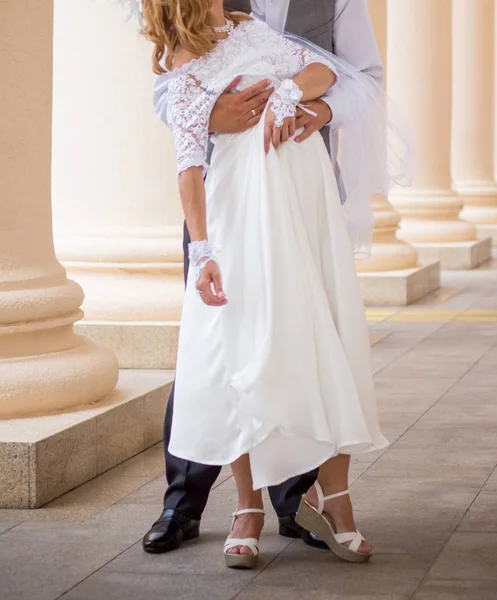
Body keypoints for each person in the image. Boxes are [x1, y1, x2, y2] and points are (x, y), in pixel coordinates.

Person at [141, 0, 386, 556]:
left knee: (316, 339)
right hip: (232, 204)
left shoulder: (283, 18)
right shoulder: (185, 37)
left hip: (303, 191)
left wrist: (308, 104)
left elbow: (357, 75)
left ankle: (303, 502)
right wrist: (209, 115)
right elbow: (168, 94)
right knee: (228, 346)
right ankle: (195, 503)